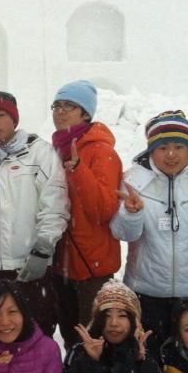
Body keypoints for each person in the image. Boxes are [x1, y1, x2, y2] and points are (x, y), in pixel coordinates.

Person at [110, 110, 188, 360]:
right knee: (148, 356)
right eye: (163, 147)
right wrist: (131, 213)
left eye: (179, 146)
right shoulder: (133, 181)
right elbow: (122, 233)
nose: (171, 154)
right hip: (144, 289)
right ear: (151, 150)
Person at [0, 90, 69, 337]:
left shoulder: (40, 152)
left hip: (30, 265)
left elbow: (55, 204)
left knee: (37, 339)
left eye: (1, 114)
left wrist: (43, 248)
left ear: (14, 119)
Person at [47, 80, 123, 351]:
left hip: (93, 268)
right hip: (61, 265)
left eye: (70, 106)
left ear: (86, 114)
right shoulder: (54, 149)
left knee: (96, 343)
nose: (61, 111)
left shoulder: (101, 150)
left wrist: (78, 170)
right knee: (71, 340)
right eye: (57, 105)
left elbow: (103, 209)